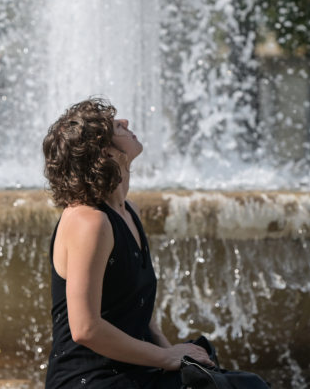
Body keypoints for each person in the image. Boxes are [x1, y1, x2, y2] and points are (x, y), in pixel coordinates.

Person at [42, 98, 212, 389]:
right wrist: (166, 358)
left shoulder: (128, 210)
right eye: (115, 126)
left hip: (132, 371)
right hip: (91, 381)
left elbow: (137, 310)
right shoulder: (89, 222)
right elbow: (85, 329)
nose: (126, 123)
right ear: (105, 153)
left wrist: (175, 355)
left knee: (214, 369)